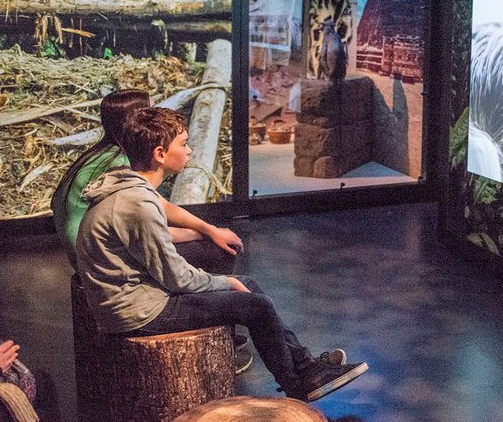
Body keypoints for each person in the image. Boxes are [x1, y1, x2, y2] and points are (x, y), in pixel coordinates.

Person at [75, 107, 367, 402]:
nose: (189, 150)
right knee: (257, 306)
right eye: (184, 144)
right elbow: (176, 278)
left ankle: (305, 367)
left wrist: (214, 248)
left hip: (141, 296)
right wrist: (225, 283)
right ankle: (298, 385)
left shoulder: (130, 186)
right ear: (160, 154)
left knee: (249, 285)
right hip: (138, 311)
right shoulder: (138, 204)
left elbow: (163, 243)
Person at [51, 89, 242, 274]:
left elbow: (161, 206)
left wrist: (209, 230)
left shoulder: (106, 154)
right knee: (216, 251)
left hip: (92, 249)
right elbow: (147, 232)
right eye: (150, 112)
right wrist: (205, 234)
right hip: (97, 259)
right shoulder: (118, 163)